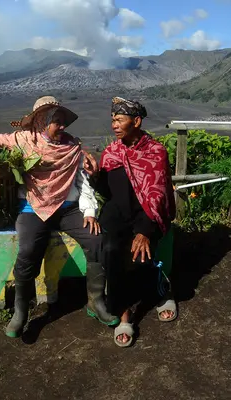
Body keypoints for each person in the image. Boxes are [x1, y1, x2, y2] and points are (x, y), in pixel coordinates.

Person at [0, 96, 119, 338]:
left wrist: (89, 211)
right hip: (32, 208)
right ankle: (21, 312)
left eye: (63, 121)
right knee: (27, 250)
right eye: (57, 121)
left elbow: (82, 181)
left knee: (97, 240)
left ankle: (96, 303)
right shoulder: (22, 141)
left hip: (68, 209)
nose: (63, 126)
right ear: (41, 122)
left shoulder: (72, 147)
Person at [83, 96, 178, 347]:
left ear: (136, 121)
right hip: (117, 214)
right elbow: (108, 191)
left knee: (140, 253)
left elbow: (157, 196)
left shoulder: (156, 152)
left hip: (147, 215)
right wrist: (95, 176)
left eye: (120, 120)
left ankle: (159, 292)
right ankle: (123, 311)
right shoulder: (113, 152)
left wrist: (145, 230)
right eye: (112, 120)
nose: (114, 125)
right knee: (112, 250)